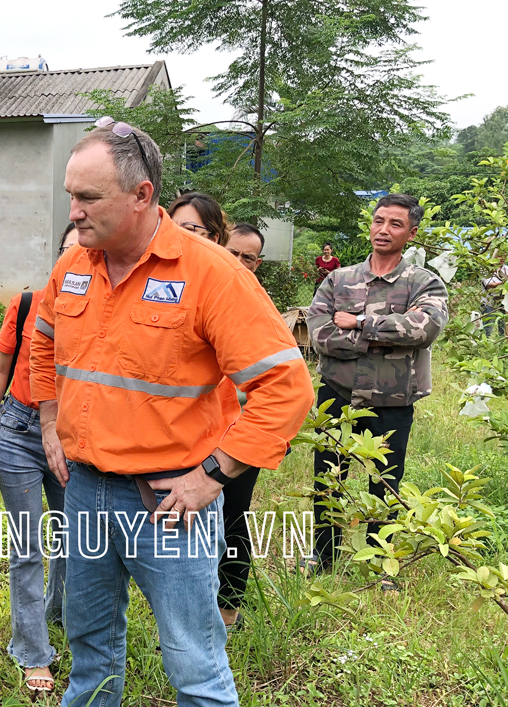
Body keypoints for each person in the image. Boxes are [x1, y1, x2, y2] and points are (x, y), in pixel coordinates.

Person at [30, 119, 314, 707]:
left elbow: (285, 387)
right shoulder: (74, 266)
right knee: (89, 651)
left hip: (166, 502)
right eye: (71, 197)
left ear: (141, 195)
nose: (74, 212)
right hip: (83, 488)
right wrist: (48, 423)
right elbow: (42, 341)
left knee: (194, 663)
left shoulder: (211, 273)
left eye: (87, 197)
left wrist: (213, 475)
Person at [305, 194, 449, 590]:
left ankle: (380, 558)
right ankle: (323, 552)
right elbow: (319, 334)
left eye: (395, 224)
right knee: (327, 476)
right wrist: (380, 337)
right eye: (378, 221)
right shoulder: (339, 278)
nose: (383, 230)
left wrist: (359, 322)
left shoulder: (423, 281)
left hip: (392, 401)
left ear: (412, 232)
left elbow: (425, 328)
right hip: (336, 394)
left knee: (385, 481)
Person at [0, 224, 79, 693]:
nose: (78, 261)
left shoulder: (105, 312)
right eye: (69, 252)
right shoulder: (28, 304)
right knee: (28, 547)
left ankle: (57, 612)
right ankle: (33, 652)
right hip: (18, 431)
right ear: (58, 257)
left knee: (76, 540)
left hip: (73, 438)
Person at [216, 222, 267, 628]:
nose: (236, 262)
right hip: (192, 433)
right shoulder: (203, 293)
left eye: (246, 257)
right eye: (231, 252)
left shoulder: (257, 305)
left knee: (234, 519)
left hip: (238, 435)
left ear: (257, 263)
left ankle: (228, 609)